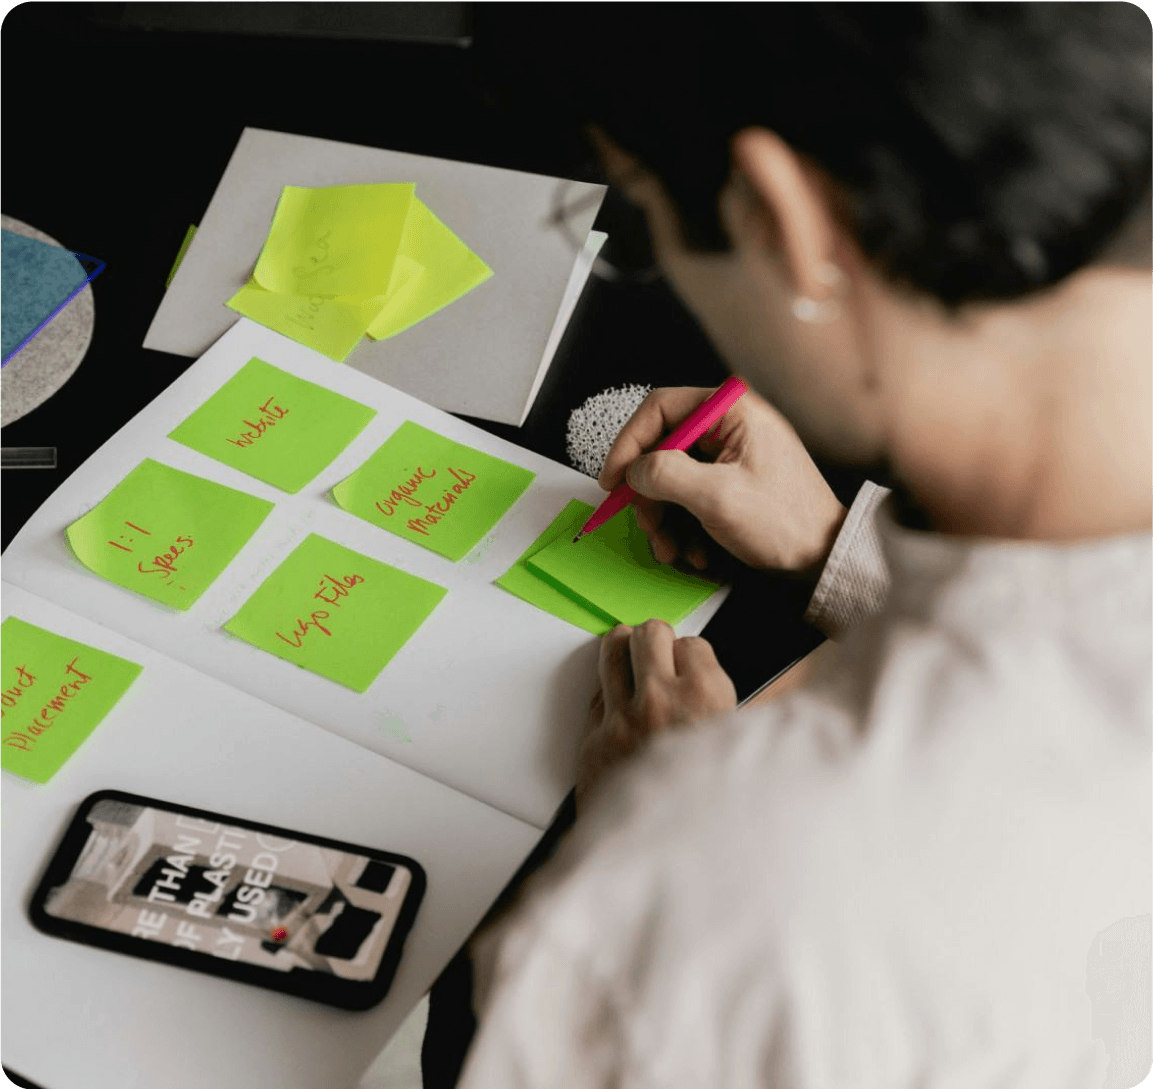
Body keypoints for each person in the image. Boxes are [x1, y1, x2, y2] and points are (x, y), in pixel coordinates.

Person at [454, 5, 1152, 1087]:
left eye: (638, 228)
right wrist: (839, 547)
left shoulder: (697, 912)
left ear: (785, 222)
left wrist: (670, 824)